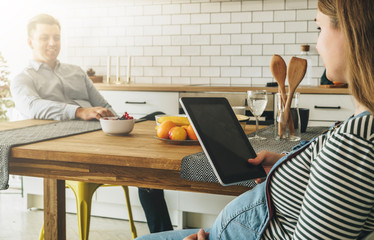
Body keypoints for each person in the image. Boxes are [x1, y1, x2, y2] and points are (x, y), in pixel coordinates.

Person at [136, 0, 374, 239]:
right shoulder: (361, 127)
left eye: (319, 29)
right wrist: (286, 164)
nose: (318, 44)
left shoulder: (357, 141)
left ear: (352, 33)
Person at [10, 14, 172, 234]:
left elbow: (102, 104)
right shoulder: (23, 77)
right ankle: (162, 232)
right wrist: (79, 111)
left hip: (101, 134)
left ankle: (163, 234)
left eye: (56, 37)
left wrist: (118, 121)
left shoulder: (75, 71)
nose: (52, 43)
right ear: (30, 41)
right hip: (67, 144)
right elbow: (32, 106)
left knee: (159, 118)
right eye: (45, 37)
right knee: (146, 173)